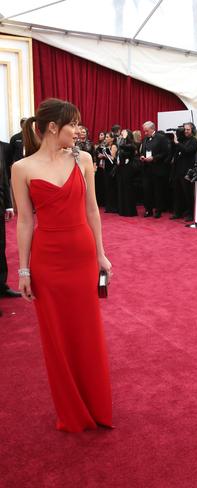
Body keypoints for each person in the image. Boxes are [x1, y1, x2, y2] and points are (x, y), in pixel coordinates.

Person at [11, 98, 113, 432]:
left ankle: (96, 405)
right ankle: (71, 410)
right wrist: (23, 269)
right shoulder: (22, 169)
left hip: (81, 255)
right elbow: (25, 222)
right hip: (48, 260)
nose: (78, 130)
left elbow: (93, 210)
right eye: (73, 124)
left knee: (87, 332)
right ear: (53, 128)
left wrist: (101, 253)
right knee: (56, 337)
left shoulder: (83, 159)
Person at [1, 140, 20, 299]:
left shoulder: (3, 147)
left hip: (0, 207)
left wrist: (8, 204)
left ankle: (1, 286)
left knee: (1, 248)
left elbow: (4, 177)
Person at [116, 129, 138, 217]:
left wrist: (124, 138)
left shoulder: (132, 145)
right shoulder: (123, 143)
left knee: (128, 189)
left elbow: (122, 146)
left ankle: (129, 211)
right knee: (122, 187)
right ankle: (122, 209)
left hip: (128, 168)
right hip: (121, 168)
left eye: (123, 134)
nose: (121, 136)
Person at [98, 132, 118, 213]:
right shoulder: (105, 146)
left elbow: (113, 158)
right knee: (107, 187)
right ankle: (108, 206)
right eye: (105, 137)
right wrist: (100, 155)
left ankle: (113, 206)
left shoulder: (113, 146)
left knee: (111, 187)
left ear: (112, 139)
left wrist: (104, 155)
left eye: (107, 137)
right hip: (105, 168)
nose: (105, 138)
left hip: (111, 168)